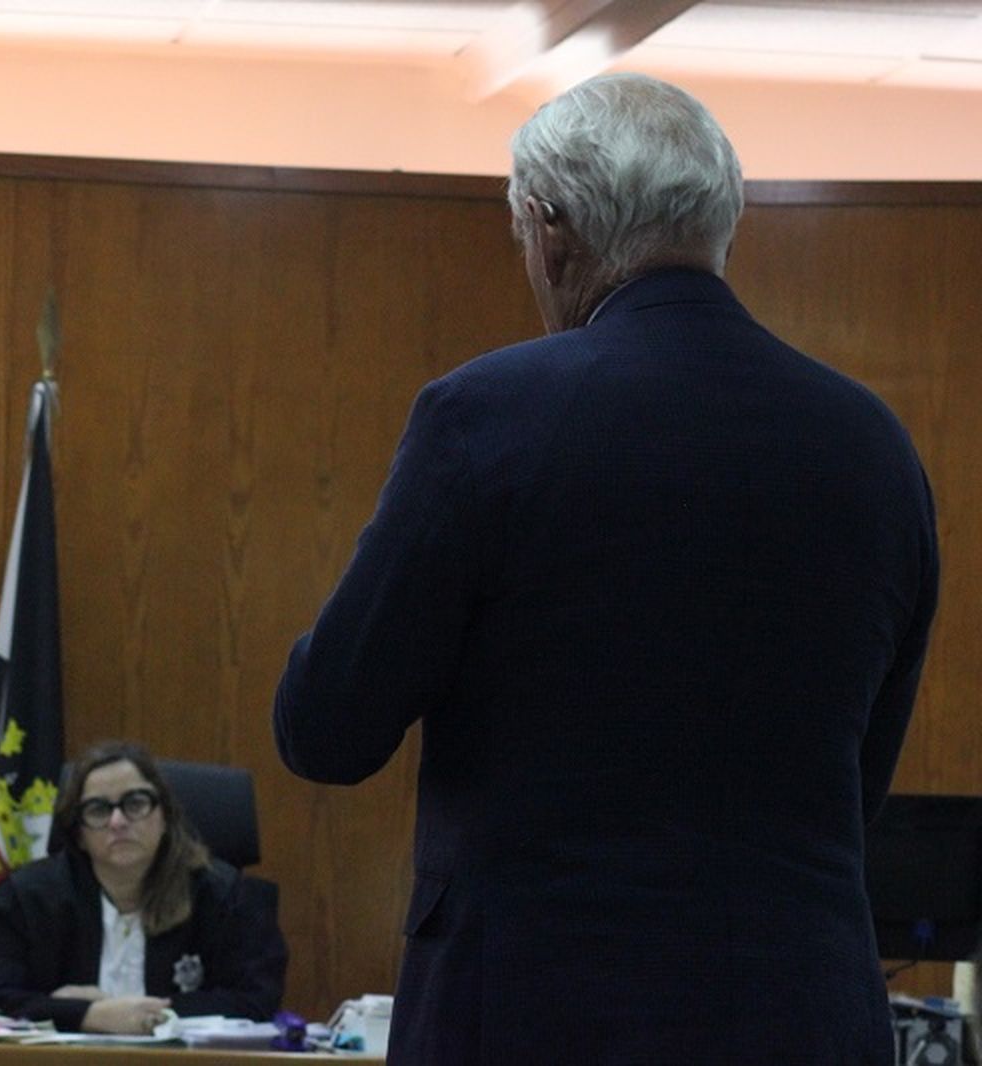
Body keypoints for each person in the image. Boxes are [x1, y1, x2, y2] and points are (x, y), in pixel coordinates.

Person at [273, 72, 938, 1064]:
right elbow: (858, 780)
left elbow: (327, 728)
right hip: (803, 1009)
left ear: (549, 230)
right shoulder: (873, 445)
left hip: (540, 1008)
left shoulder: (488, 416)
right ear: (721, 222)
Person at [0, 741, 287, 1033]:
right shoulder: (26, 899)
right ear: (79, 834)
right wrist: (89, 1015)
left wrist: (146, 1015)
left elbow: (256, 1002)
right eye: (98, 810)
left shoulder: (225, 897)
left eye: (135, 803)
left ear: (164, 817)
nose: (118, 822)